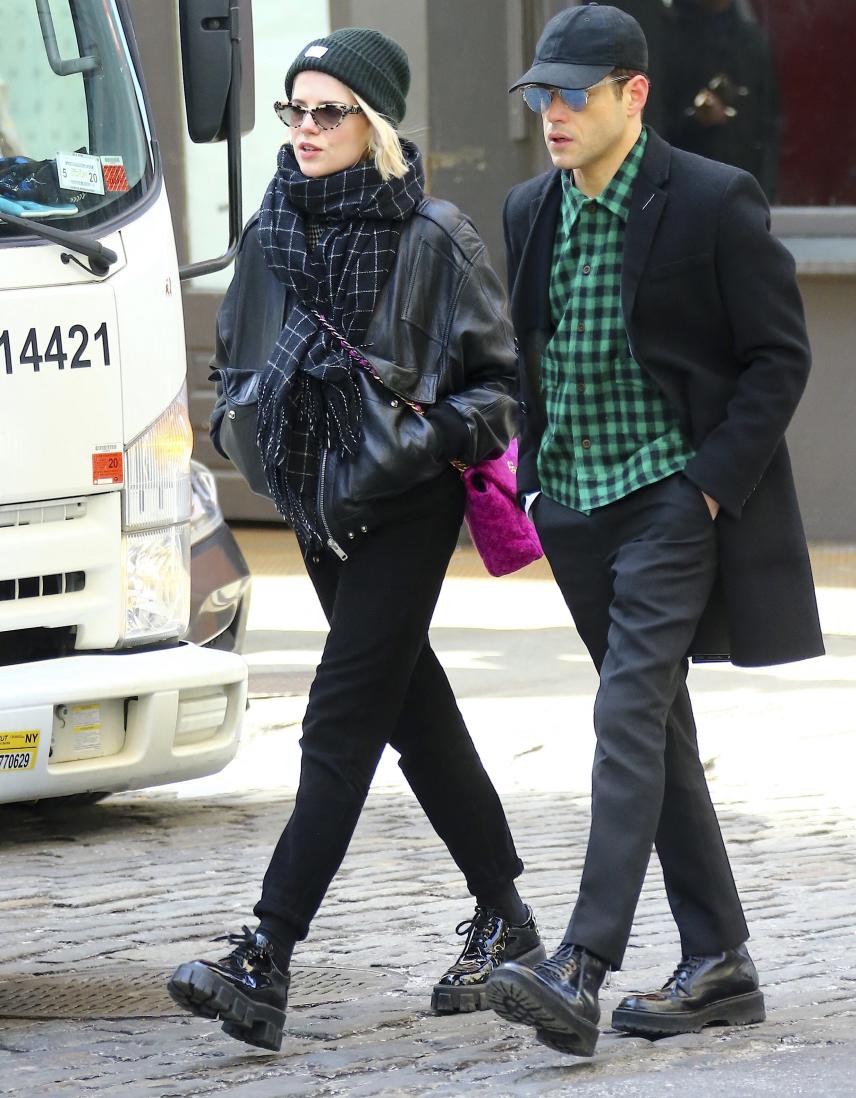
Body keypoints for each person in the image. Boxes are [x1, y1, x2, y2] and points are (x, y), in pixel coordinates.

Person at [167, 28, 544, 1052]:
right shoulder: (270, 231)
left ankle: (266, 955)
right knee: (410, 708)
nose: (304, 129)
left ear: (373, 122)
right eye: (293, 110)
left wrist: (423, 438)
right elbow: (234, 358)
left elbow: (499, 390)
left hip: (404, 505)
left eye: (326, 111)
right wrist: (244, 425)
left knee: (338, 722)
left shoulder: (433, 234)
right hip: (318, 509)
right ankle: (508, 921)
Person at [486, 3, 822, 1058]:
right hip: (576, 506)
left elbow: (780, 358)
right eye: (543, 92)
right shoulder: (529, 208)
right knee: (659, 728)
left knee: (626, 715)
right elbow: (533, 348)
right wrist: (538, 481)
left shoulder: (715, 201)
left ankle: (580, 962)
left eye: (575, 93)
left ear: (634, 94)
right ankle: (720, 960)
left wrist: (709, 489)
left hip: (671, 499)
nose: (553, 111)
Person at [659, 0, 780, 200]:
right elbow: (654, 121)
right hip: (683, 189)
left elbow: (768, 125)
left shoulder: (751, 41)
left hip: (743, 189)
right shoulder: (668, 37)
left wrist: (766, 193)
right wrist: (696, 120)